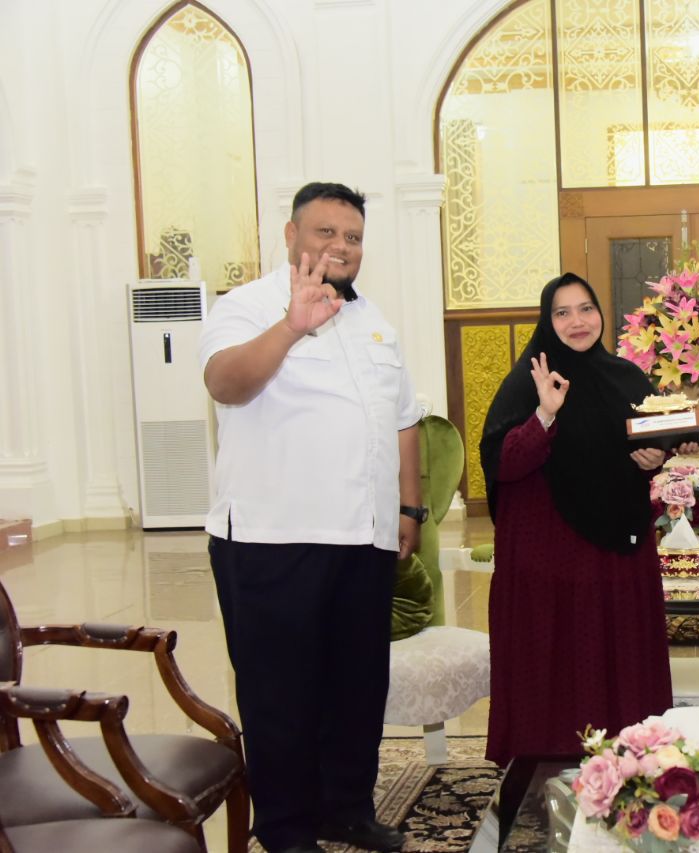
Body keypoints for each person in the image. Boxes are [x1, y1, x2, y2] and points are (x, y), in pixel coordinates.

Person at [201, 182, 420, 853]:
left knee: (357, 687)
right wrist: (291, 326)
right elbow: (224, 383)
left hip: (364, 536)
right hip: (273, 537)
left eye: (353, 237)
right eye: (326, 232)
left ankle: (346, 809)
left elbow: (404, 418)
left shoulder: (373, 320)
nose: (341, 247)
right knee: (281, 694)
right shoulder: (247, 306)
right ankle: (286, 827)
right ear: (291, 234)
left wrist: (408, 506)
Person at [480, 272, 675, 766]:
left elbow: (651, 443)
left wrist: (657, 456)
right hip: (550, 557)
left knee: (619, 658)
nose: (577, 321)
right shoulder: (528, 381)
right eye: (562, 312)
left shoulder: (626, 377)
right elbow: (504, 463)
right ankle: (549, 767)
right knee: (559, 662)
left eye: (586, 308)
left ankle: (629, 765)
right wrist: (545, 414)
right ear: (547, 321)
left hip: (618, 553)